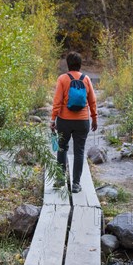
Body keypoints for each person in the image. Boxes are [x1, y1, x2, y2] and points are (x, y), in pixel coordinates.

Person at [50, 52, 97, 192]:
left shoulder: (62, 79)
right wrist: (94, 118)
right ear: (80, 64)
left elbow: (57, 102)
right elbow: (92, 101)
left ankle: (59, 180)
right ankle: (76, 184)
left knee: (62, 148)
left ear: (68, 64)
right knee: (79, 151)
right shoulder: (86, 79)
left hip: (64, 120)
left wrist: (53, 119)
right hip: (82, 121)